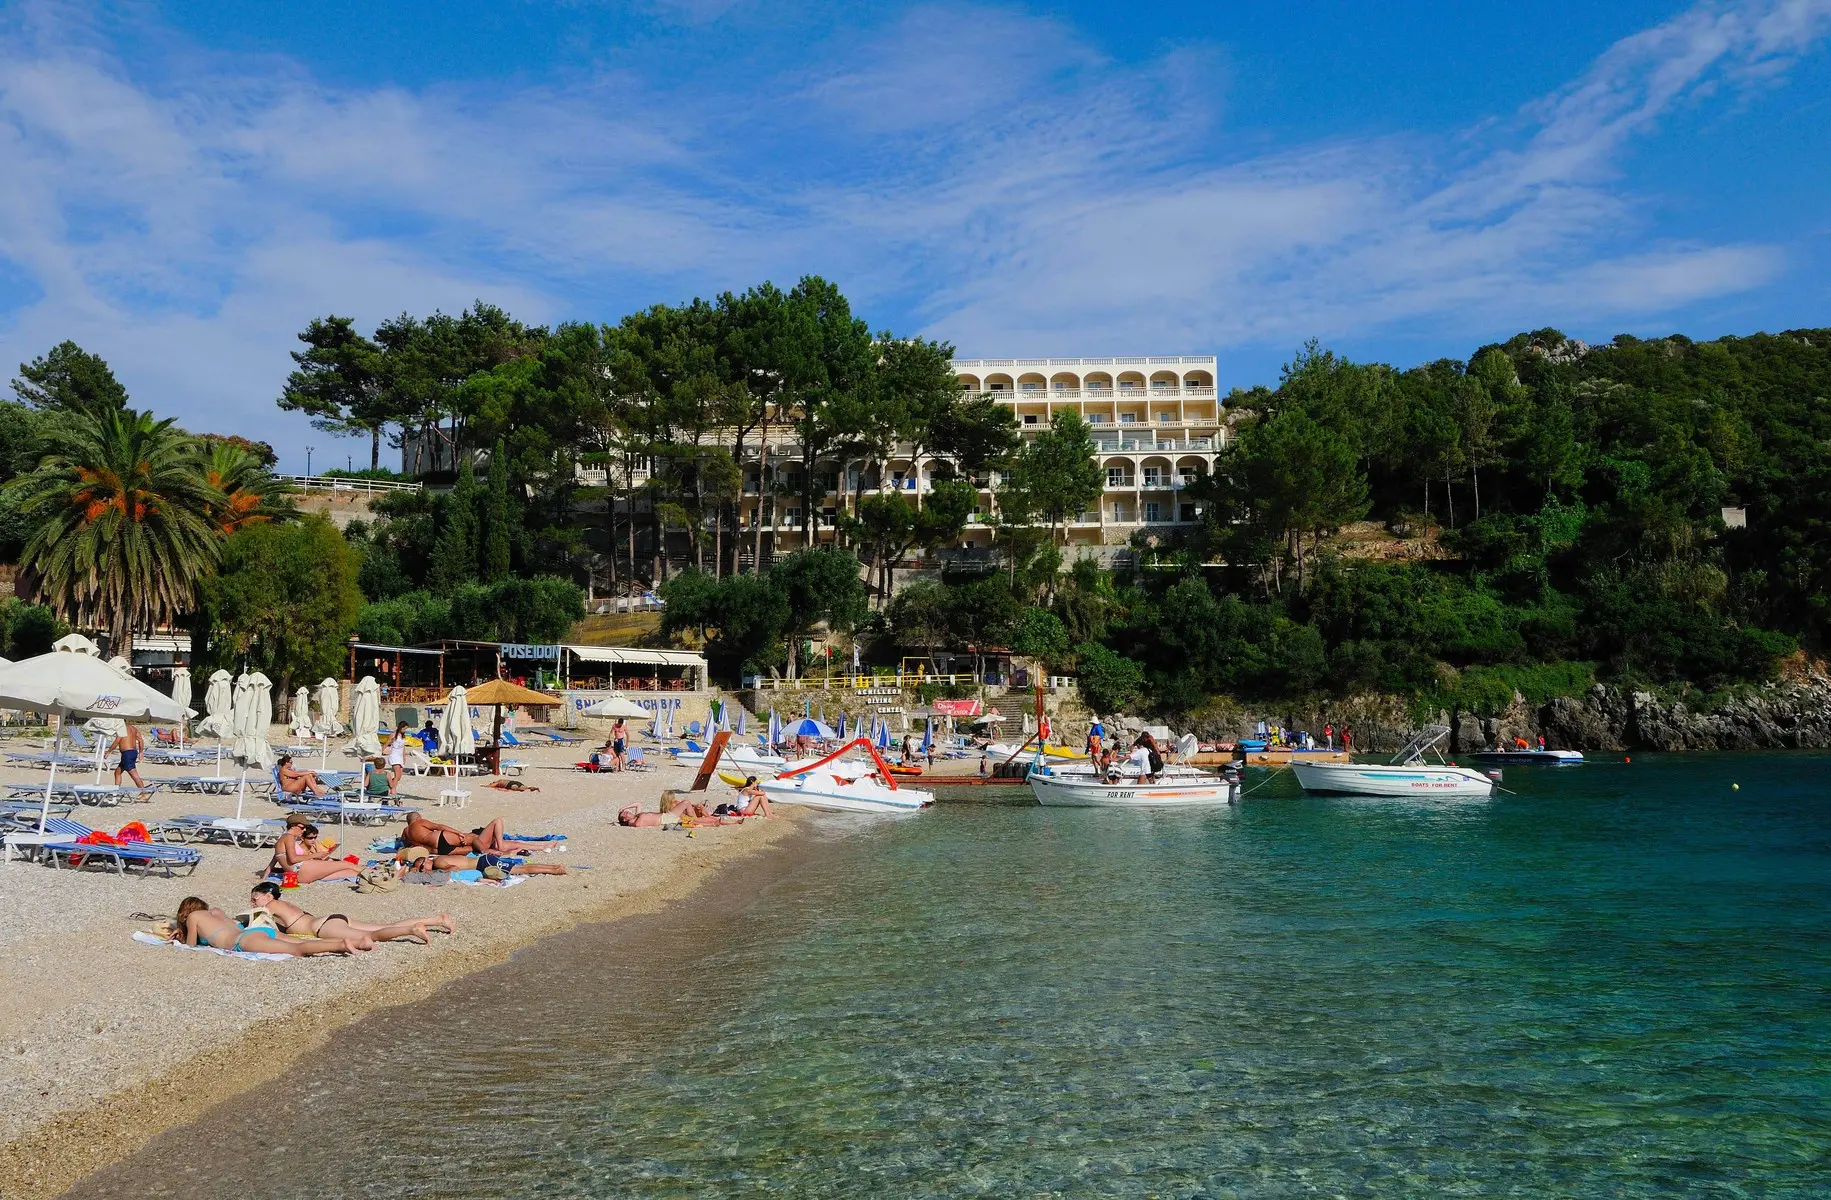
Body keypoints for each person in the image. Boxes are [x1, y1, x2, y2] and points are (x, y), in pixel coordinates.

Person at [248, 881, 452, 945]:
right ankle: (437, 919)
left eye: (255, 898)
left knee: (372, 936)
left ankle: (412, 929)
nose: (252, 902)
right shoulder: (285, 903)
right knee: (386, 925)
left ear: (267, 895)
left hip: (324, 927)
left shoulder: (269, 906)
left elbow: (254, 926)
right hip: (332, 919)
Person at [171, 896, 358, 957]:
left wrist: (181, 935)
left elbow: (191, 946)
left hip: (244, 940)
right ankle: (356, 942)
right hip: (256, 931)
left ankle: (342, 945)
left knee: (297, 949)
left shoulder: (193, 917)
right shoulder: (217, 912)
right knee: (299, 942)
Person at [402, 811, 546, 857]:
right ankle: (493, 849)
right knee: (472, 838)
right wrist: (458, 832)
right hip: (440, 839)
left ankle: (494, 852)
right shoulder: (418, 822)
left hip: (440, 852)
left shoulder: (405, 833)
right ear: (416, 818)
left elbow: (407, 847)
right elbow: (439, 826)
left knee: (473, 848)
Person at [268, 820, 361, 884]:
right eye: (310, 838)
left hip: (310, 874)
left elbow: (278, 858)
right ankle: (372, 873)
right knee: (345, 864)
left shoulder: (309, 846)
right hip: (304, 873)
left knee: (350, 872)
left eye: (315, 837)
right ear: (302, 838)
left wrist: (265, 875)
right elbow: (291, 860)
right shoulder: (294, 844)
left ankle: (369, 874)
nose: (313, 840)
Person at [397, 846, 569, 876]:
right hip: (483, 860)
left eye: (422, 867)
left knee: (522, 869)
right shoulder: (439, 858)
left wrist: (439, 872)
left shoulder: (438, 863)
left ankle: (554, 869)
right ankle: (553, 867)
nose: (423, 870)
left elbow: (454, 868)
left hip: (484, 864)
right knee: (521, 867)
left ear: (426, 861)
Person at [111, 723, 147, 788]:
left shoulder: (122, 729)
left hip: (127, 754)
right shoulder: (134, 728)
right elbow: (140, 740)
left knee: (133, 774)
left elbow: (117, 741)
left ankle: (144, 793)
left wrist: (108, 751)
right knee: (117, 772)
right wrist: (141, 752)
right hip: (133, 752)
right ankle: (115, 790)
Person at [385, 722, 410, 791]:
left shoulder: (402, 735)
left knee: (399, 777)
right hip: (394, 755)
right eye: (404, 729)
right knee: (396, 775)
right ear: (401, 727)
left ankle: (387, 784)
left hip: (400, 756)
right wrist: (380, 751)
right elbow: (386, 743)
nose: (405, 730)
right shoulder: (393, 735)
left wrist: (404, 756)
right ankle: (393, 790)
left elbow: (403, 747)